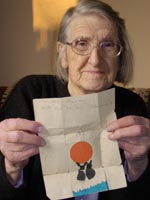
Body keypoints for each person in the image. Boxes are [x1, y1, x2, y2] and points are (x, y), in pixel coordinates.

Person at [0, 0, 149, 199]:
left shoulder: (133, 107)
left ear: (119, 56)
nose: (95, 59)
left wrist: (138, 167)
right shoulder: (30, 94)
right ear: (63, 54)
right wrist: (11, 169)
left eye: (107, 45)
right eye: (81, 43)